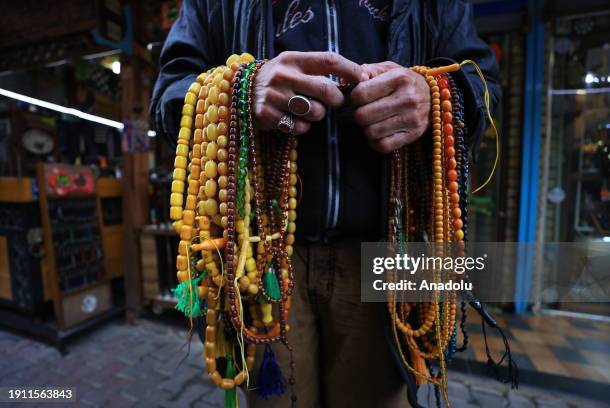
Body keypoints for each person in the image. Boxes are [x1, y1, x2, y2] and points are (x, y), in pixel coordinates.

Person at [151, 1, 500, 407]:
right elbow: (170, 92)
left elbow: (482, 84)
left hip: (389, 253)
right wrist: (241, 89)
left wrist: (432, 96)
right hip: (263, 257)